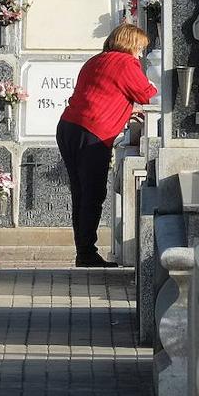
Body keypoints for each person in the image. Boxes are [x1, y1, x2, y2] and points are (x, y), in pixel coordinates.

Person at [57, 23, 158, 268]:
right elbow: (147, 93)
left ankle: (83, 251)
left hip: (69, 126)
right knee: (93, 193)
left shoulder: (95, 60)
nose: (141, 54)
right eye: (140, 48)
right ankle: (87, 254)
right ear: (131, 44)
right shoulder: (125, 63)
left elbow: (106, 92)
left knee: (80, 193)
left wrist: (126, 110)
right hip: (94, 131)